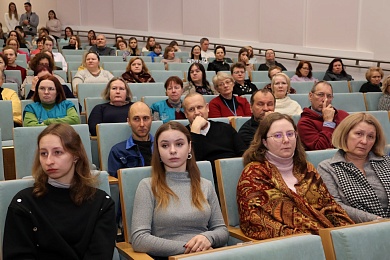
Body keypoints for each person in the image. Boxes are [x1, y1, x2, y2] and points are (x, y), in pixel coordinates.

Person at [3, 123, 117, 259]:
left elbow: (100, 256)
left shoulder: (101, 204)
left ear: (76, 155)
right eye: (43, 153)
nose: (49, 161)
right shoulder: (24, 203)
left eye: (58, 152)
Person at [237, 112, 354, 240]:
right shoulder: (254, 174)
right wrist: (310, 239)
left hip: (327, 237)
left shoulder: (306, 169)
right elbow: (256, 223)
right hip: (291, 245)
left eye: (290, 134)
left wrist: (347, 233)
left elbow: (330, 207)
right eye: (277, 135)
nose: (286, 140)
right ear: (264, 142)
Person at [131, 121, 228, 258]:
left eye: (179, 144)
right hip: (172, 257)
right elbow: (139, 239)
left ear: (189, 147)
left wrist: (208, 238)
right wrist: (188, 248)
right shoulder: (147, 186)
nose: (172, 150)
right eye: (165, 145)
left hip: (208, 255)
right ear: (157, 151)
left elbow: (222, 230)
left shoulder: (205, 185)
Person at [318, 113, 390, 223]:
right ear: (345, 134)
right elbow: (334, 206)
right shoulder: (328, 167)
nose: (364, 141)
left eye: (370, 136)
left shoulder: (386, 161)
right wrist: (378, 221)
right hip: (357, 228)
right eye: (359, 134)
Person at [183, 93, 246, 179]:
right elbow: (191, 163)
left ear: (207, 108)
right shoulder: (182, 135)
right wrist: (195, 132)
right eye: (191, 109)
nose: (197, 112)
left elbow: (244, 154)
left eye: (200, 107)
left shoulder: (225, 128)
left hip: (232, 175)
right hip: (201, 180)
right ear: (186, 114)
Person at [297, 81, 349, 151]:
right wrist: (328, 122)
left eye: (329, 96)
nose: (325, 99)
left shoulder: (343, 115)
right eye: (320, 95)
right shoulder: (304, 123)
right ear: (310, 96)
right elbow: (323, 151)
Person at [108, 101, 153, 177]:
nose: (142, 124)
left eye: (145, 118)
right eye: (136, 119)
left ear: (151, 119)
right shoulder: (118, 151)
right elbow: (116, 183)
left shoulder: (162, 147)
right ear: (129, 121)